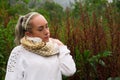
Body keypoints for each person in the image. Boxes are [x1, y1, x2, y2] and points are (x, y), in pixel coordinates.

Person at [5, 12, 76, 80]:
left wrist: (61, 46)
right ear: (29, 34)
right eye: (40, 29)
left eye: (47, 26)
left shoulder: (55, 48)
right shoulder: (18, 52)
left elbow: (69, 71)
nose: (46, 32)